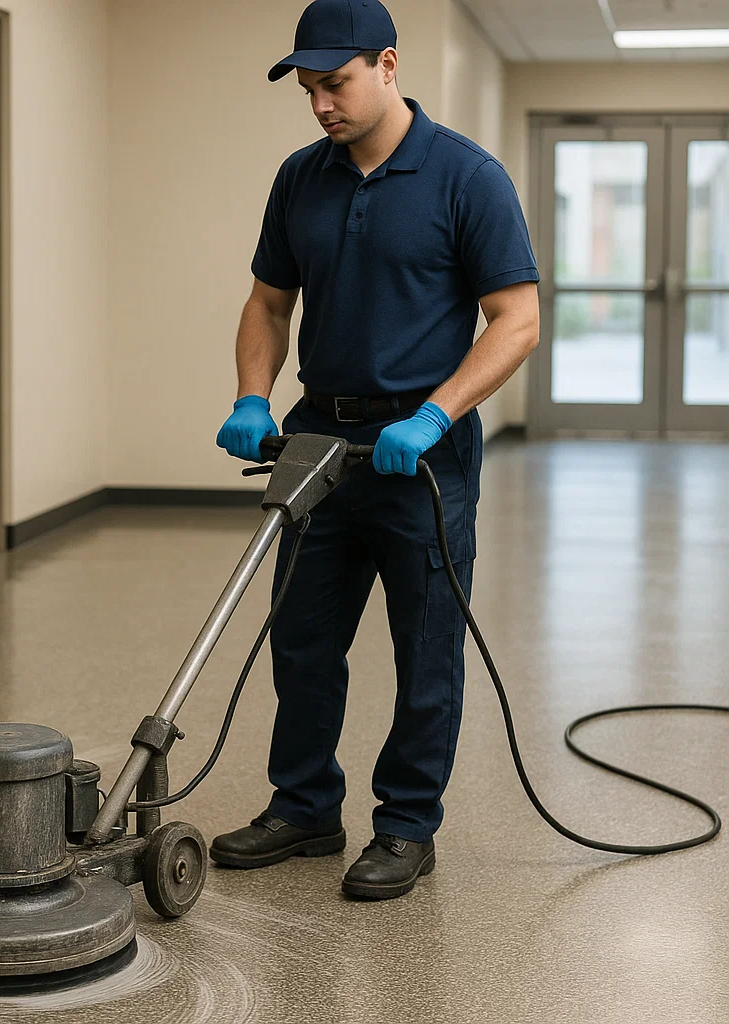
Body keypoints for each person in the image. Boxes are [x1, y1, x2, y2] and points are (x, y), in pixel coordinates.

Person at [210, 0, 540, 900]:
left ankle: (406, 825)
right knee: (302, 638)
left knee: (426, 646)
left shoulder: (467, 177)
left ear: (387, 66)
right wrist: (252, 394)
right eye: (309, 91)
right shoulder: (300, 178)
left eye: (336, 84)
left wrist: (434, 416)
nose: (321, 105)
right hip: (318, 438)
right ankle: (305, 806)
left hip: (420, 450)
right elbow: (268, 301)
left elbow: (516, 320)